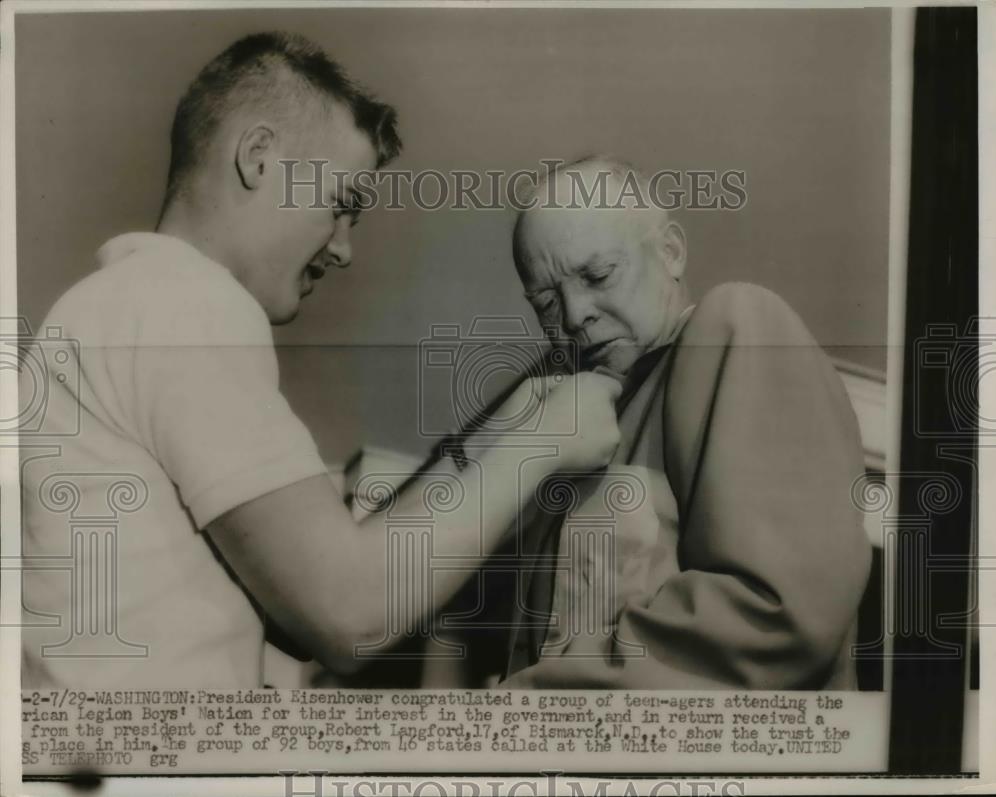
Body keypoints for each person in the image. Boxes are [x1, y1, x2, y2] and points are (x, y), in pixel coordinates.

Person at [20, 34, 622, 688]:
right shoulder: (182, 303)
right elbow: (347, 615)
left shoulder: (123, 305)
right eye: (340, 206)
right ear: (257, 157)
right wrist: (545, 436)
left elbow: (301, 595)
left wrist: (489, 439)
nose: (344, 250)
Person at [497, 156, 873, 689]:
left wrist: (526, 705)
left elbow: (776, 613)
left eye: (598, 274)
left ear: (671, 252)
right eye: (545, 302)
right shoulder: (577, 428)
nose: (574, 313)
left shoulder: (736, 324)